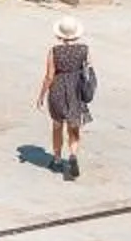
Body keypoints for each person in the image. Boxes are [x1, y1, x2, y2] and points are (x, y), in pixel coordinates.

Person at [37, 16, 93, 180]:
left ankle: (56, 159)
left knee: (57, 126)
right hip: (75, 90)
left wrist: (41, 95)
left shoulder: (54, 51)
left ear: (59, 35)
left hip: (58, 90)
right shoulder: (84, 49)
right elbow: (88, 71)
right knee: (73, 126)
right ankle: (73, 154)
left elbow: (49, 76)